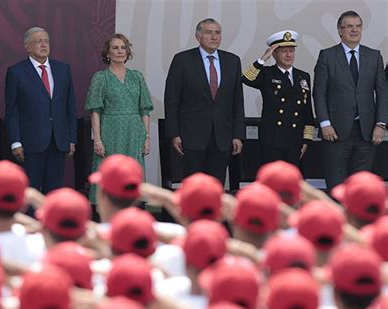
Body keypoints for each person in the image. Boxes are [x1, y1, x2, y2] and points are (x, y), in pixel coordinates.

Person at [164, 18, 245, 185]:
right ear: (198, 36)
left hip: (222, 137)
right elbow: (171, 100)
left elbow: (237, 101)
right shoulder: (182, 60)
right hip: (191, 136)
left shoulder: (233, 61)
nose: (214, 37)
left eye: (217, 32)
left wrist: (238, 135)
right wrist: (174, 134)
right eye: (208, 32)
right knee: (193, 187)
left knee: (216, 187)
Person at [313, 10, 388, 190]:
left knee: (360, 188)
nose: (354, 30)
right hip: (336, 132)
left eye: (358, 26)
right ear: (340, 31)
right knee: (337, 187)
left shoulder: (374, 56)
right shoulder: (327, 56)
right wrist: (324, 124)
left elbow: (383, 93)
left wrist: (381, 124)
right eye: (349, 27)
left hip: (367, 133)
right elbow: (319, 93)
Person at [5, 27, 77, 203]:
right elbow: (12, 110)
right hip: (30, 143)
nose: (43, 44)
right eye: (38, 41)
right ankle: (30, 228)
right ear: (27, 46)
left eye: (46, 41)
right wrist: (15, 141)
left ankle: (50, 228)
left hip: (58, 141)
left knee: (54, 193)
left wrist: (71, 139)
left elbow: (70, 108)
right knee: (31, 192)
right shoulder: (16, 72)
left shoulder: (63, 69)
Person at [85, 33, 153, 205]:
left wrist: (146, 137)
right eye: (115, 48)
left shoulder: (137, 77)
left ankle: (133, 216)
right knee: (110, 172)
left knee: (132, 173)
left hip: (134, 132)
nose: (120, 51)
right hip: (110, 131)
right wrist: (98, 140)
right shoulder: (101, 78)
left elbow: (145, 109)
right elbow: (95, 111)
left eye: (123, 48)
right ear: (108, 53)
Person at [242, 30, 314, 167]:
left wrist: (307, 139)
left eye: (291, 51)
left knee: (293, 183)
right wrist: (263, 59)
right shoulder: (267, 73)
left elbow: (307, 110)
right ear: (274, 54)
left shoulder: (303, 76)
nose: (288, 55)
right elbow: (246, 78)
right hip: (273, 139)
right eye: (283, 51)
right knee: (273, 181)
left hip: (296, 139)